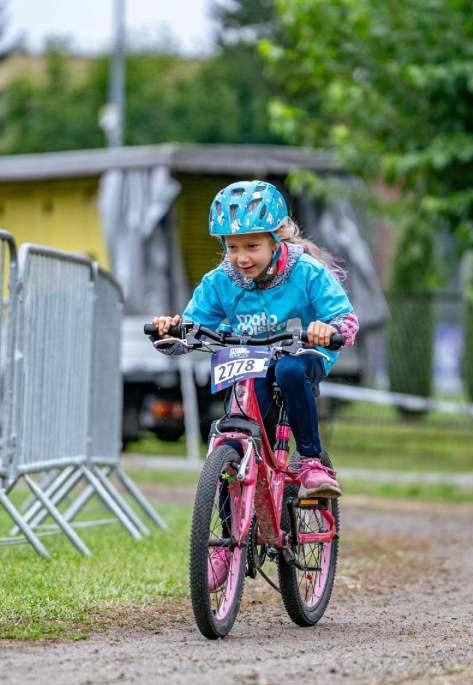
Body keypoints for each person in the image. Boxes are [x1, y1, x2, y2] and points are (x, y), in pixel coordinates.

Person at [150, 180, 358, 498]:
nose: (241, 258)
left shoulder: (306, 271)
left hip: (303, 355)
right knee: (233, 441)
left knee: (289, 370)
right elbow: (192, 328)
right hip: (250, 362)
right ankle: (225, 542)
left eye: (251, 247)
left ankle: (312, 463)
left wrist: (329, 330)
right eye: (232, 247)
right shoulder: (220, 281)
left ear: (275, 241)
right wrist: (173, 331)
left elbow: (345, 319)